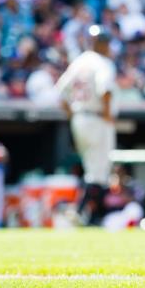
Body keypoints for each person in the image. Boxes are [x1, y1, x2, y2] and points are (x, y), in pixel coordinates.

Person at [54, 24, 118, 225]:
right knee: (98, 171)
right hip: (97, 117)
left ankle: (88, 213)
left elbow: (60, 93)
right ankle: (83, 212)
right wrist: (107, 114)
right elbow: (105, 90)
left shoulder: (79, 62)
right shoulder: (102, 63)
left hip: (79, 117)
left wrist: (71, 114)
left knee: (91, 167)